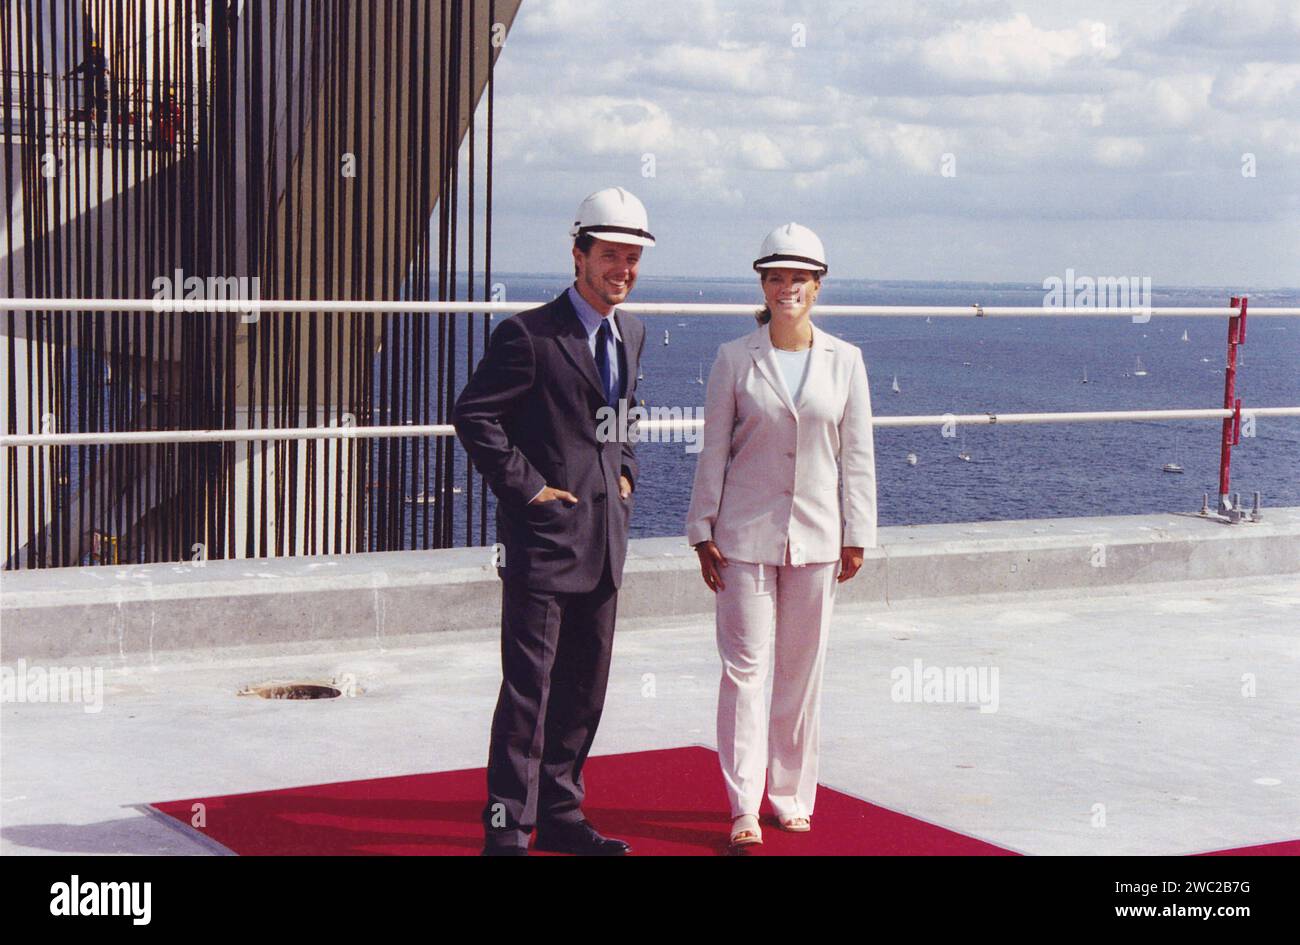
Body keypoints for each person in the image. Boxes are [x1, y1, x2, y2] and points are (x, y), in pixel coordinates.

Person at [452, 187, 652, 856]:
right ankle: (508, 825)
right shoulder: (528, 336)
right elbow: (475, 414)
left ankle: (563, 814)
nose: (622, 269)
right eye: (610, 256)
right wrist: (530, 490)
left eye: (632, 258)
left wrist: (624, 474)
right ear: (578, 255)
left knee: (583, 688)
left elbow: (624, 412)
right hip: (543, 543)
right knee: (528, 693)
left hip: (604, 540)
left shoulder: (632, 332)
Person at [684, 222, 878, 850]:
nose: (786, 287)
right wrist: (700, 528)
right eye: (775, 277)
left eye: (798, 277)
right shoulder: (734, 358)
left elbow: (858, 455)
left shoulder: (846, 360)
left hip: (819, 539)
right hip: (742, 537)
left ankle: (790, 795)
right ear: (762, 286)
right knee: (744, 672)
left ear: (817, 286)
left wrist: (858, 533)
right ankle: (743, 805)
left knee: (800, 671)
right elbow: (713, 449)